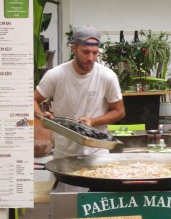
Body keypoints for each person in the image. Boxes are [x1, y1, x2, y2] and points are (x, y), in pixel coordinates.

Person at [34, 25, 125, 158]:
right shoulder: (56, 75)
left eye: (95, 52)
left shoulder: (107, 76)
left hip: (98, 153)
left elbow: (119, 111)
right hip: (64, 154)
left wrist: (93, 121)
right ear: (74, 48)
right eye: (85, 52)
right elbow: (33, 99)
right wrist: (41, 116)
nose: (90, 58)